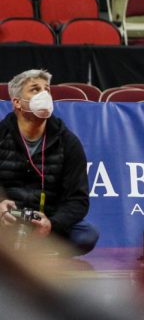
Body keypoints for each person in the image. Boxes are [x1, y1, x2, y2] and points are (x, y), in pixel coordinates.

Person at [0, 70, 98, 255]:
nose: (44, 95)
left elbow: (78, 199)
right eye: (35, 90)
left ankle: (28, 249)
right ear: (17, 103)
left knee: (86, 235)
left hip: (46, 221)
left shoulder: (69, 142)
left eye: (47, 89)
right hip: (6, 220)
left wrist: (53, 223)